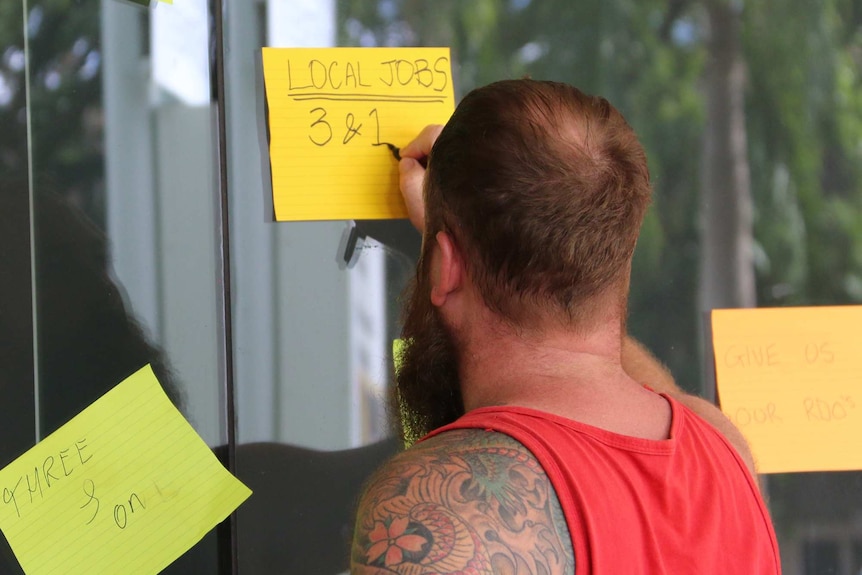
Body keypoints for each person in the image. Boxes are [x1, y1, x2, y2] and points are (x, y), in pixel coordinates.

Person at [349, 80, 780, 574]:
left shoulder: (436, 509)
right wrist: (447, 244)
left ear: (445, 268)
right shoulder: (724, 452)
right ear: (615, 256)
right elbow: (624, 373)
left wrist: (448, 245)